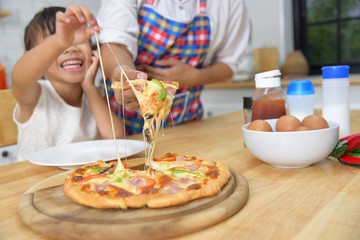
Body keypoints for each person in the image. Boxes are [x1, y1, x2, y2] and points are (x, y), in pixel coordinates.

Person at [96, 0, 250, 136]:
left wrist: (194, 77)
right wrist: (124, 74)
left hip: (186, 125)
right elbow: (114, 44)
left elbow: (228, 63)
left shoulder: (230, 3)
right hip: (120, 127)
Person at [11, 4, 125, 161]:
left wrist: (89, 88)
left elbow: (117, 138)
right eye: (57, 42)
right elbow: (20, 77)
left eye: (78, 40)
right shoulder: (33, 96)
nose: (70, 48)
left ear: (92, 50)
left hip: (82, 182)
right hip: (34, 182)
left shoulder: (94, 94)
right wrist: (58, 42)